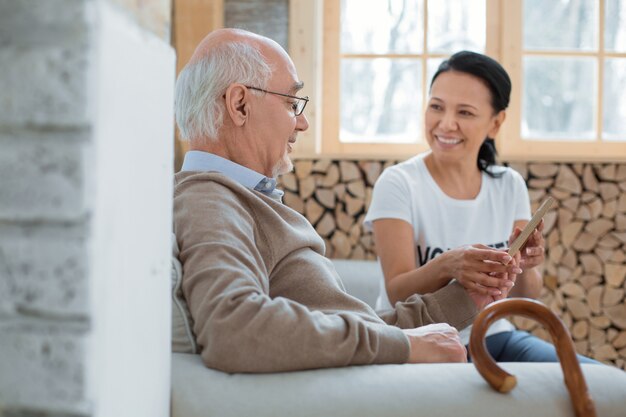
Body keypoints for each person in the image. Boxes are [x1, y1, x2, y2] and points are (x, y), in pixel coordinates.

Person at [172, 29, 519, 373]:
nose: (303, 123)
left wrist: (466, 298)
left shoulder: (238, 198)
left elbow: (356, 325)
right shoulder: (209, 198)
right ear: (240, 104)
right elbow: (234, 330)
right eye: (292, 104)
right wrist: (405, 346)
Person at [365, 51, 596, 363]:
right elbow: (397, 292)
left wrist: (525, 265)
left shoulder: (509, 184)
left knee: (587, 376)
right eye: (436, 107)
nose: (446, 124)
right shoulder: (398, 183)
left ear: (495, 123)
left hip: (494, 334)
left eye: (465, 113)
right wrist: (448, 264)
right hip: (420, 339)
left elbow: (527, 294)